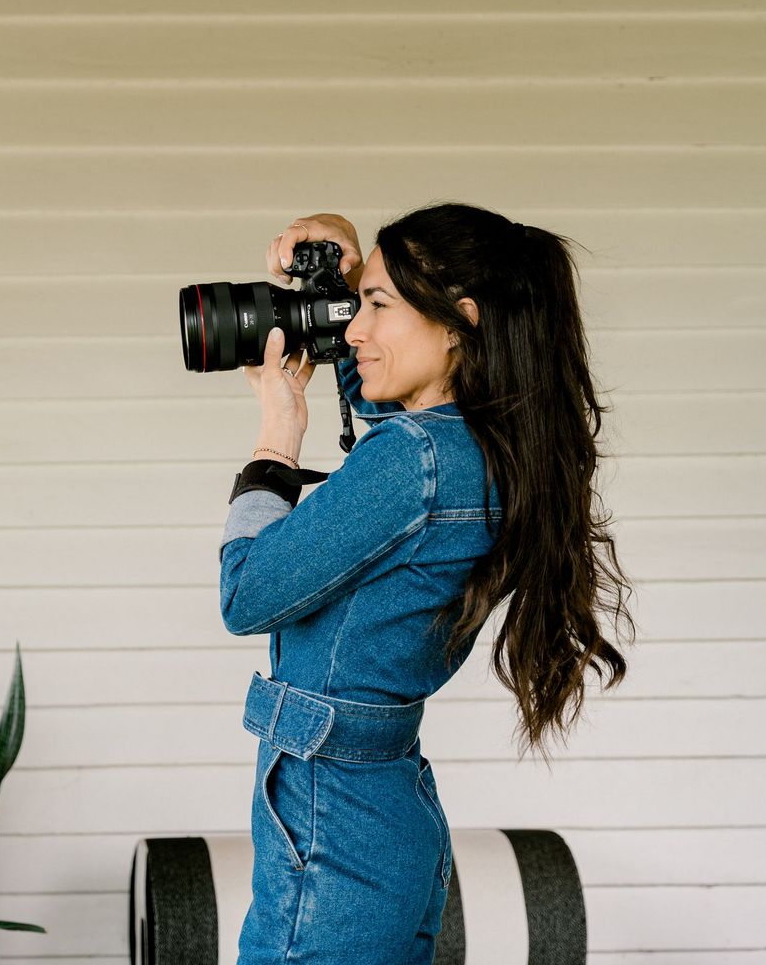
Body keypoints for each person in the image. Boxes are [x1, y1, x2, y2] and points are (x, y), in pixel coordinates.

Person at [220, 205, 636, 963]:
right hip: (382, 821)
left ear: (459, 323)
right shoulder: (479, 447)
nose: (351, 330)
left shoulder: (412, 460)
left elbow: (247, 593)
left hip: (332, 825)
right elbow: (378, 386)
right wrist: (337, 249)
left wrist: (277, 430)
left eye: (377, 305)